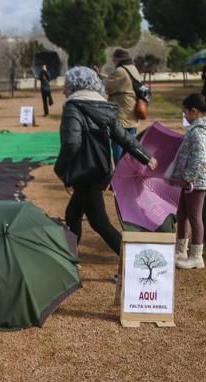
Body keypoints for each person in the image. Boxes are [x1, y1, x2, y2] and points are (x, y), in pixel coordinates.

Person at [54, 66, 156, 258]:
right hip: (100, 170)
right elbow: (123, 136)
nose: (64, 89)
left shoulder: (73, 106)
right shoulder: (103, 106)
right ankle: (70, 256)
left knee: (99, 222)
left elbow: (72, 143)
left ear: (74, 85)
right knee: (72, 214)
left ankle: (132, 260)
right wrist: (146, 156)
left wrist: (60, 168)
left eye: (66, 85)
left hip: (83, 172)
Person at [168, 93, 206, 270]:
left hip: (196, 182)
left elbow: (198, 158)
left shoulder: (198, 132)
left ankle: (196, 256)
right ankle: (181, 251)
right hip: (194, 181)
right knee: (183, 213)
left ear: (193, 111)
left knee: (194, 216)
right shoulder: (200, 129)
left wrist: (187, 178)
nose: (184, 115)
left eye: (185, 112)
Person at [105, 48, 145, 163]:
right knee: (130, 146)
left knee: (118, 147)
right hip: (131, 114)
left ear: (118, 59)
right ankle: (129, 173)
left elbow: (107, 87)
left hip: (122, 116)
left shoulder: (120, 71)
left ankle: (119, 174)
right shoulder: (132, 69)